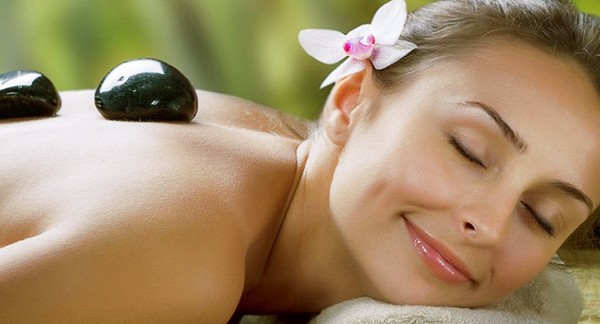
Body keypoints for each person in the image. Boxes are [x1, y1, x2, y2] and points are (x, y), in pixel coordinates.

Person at [1, 0, 599, 322]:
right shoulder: (178, 262)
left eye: (541, 215)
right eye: (469, 151)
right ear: (349, 101)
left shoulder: (257, 147)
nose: (488, 224)